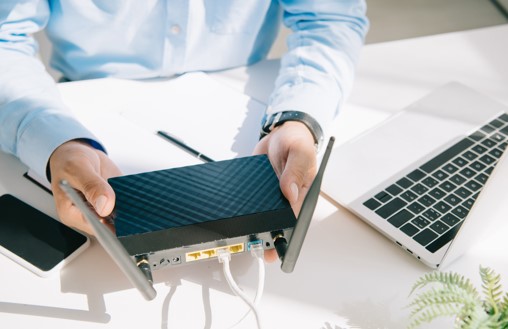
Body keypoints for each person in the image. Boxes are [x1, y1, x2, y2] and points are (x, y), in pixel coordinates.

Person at [0, 1, 369, 261]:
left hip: (244, 115)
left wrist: (299, 118)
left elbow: (329, 19)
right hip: (80, 111)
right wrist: (51, 138)